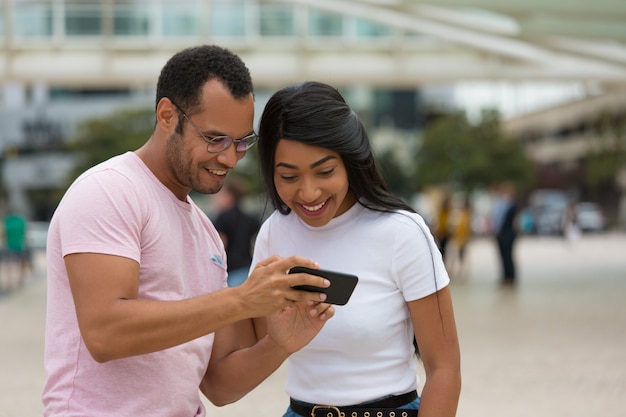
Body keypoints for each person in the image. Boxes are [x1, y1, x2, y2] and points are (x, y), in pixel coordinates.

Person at [42, 45, 337, 417]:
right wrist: (242, 300)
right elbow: (105, 333)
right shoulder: (109, 190)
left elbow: (218, 384)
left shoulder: (205, 233)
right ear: (167, 115)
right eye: (215, 139)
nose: (229, 158)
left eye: (242, 142)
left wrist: (279, 345)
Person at [245, 81, 461, 417]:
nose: (309, 192)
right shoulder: (273, 234)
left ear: (351, 160)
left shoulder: (402, 233)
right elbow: (251, 355)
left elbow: (444, 369)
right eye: (289, 177)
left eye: (325, 171)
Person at [213, 178, 261, 287]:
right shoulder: (251, 219)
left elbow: (219, 247)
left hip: (231, 272)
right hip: (248, 269)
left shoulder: (223, 218)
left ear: (229, 196)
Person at [492, 183, 519, 286]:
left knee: (508, 256)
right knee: (503, 257)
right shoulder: (501, 204)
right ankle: (506, 276)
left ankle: (510, 277)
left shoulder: (510, 205)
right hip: (502, 234)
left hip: (506, 234)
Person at [450, 196, 472, 280]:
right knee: (454, 254)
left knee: (461, 255)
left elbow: (467, 228)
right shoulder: (460, 214)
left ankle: (461, 271)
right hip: (457, 238)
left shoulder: (466, 215)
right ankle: (453, 270)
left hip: (462, 238)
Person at [434, 195, 453, 267]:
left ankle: (444, 265)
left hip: (445, 234)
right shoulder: (443, 213)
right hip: (442, 234)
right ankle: (443, 265)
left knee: (444, 251)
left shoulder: (447, 212)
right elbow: (440, 224)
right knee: (443, 251)